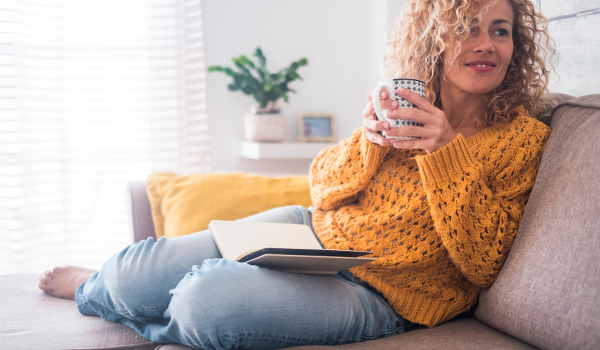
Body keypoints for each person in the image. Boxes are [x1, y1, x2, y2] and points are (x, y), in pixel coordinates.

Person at [38, 0, 556, 349]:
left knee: (206, 302)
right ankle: (97, 287)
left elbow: (484, 261)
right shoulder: (406, 104)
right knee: (132, 271)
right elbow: (324, 190)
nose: (485, 43)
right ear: (436, 40)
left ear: (517, 48)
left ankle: (136, 306)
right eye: (467, 28)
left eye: (501, 31)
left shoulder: (524, 139)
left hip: (382, 293)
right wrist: (367, 140)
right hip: (307, 231)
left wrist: (444, 152)